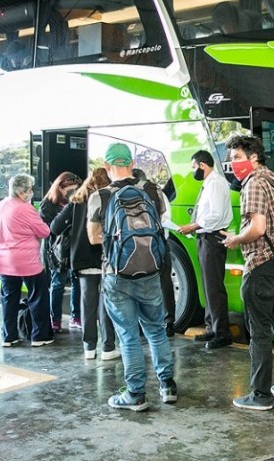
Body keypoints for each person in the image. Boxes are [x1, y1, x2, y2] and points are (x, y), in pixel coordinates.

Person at [87, 143, 176, 411]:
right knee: (156, 330)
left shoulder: (100, 195)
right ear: (132, 163)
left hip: (117, 274)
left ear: (107, 166)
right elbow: (159, 227)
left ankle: (135, 394)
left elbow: (93, 237)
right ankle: (167, 385)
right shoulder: (153, 191)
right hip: (150, 271)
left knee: (127, 334)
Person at [221, 135, 274, 411]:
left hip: (260, 264)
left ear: (253, 157)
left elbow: (258, 228)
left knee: (260, 332)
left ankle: (261, 394)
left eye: (237, 158)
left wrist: (235, 239)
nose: (233, 165)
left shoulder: (254, 184)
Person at [51, 168, 119, 361]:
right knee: (106, 303)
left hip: (82, 259)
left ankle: (89, 348)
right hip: (106, 257)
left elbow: (55, 227)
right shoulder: (109, 199)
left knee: (87, 303)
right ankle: (108, 348)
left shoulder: (77, 201)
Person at [0, 173, 54, 347]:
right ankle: (39, 336)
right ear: (21, 192)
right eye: (30, 189)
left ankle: (9, 336)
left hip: (3, 260)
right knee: (38, 296)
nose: (31, 192)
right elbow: (44, 232)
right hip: (26, 262)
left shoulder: (1, 204)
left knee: (9, 298)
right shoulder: (25, 209)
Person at [180, 150, 233, 349]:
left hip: (213, 237)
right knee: (208, 285)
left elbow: (215, 214)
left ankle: (222, 332)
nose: (193, 170)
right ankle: (212, 327)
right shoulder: (209, 183)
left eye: (194, 166)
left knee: (214, 287)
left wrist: (193, 226)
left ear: (202, 165)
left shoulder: (216, 183)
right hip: (205, 237)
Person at [133, 168, 176, 336]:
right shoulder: (157, 191)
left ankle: (143, 322)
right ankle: (168, 322)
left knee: (140, 282)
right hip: (159, 242)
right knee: (164, 281)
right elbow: (166, 218)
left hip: (137, 245)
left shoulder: (128, 193)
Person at [40, 171, 83, 333]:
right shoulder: (48, 204)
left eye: (74, 189)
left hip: (74, 247)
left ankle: (76, 316)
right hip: (57, 250)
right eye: (69, 189)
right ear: (60, 187)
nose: (71, 192)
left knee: (76, 282)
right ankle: (55, 319)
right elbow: (48, 229)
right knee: (57, 284)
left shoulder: (76, 202)